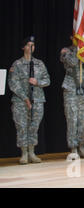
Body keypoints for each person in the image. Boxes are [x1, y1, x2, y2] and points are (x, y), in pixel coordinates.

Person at [8, 36, 50, 164]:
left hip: (37, 100)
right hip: (20, 101)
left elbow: (47, 80)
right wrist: (25, 98)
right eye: (28, 45)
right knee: (21, 126)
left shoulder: (39, 64)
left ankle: (32, 152)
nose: (31, 47)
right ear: (23, 47)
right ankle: (24, 154)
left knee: (33, 126)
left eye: (33, 45)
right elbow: (12, 83)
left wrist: (37, 82)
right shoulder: (17, 64)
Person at [60, 36, 84, 158]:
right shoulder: (66, 51)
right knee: (72, 119)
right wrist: (78, 51)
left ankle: (82, 146)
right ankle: (73, 148)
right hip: (71, 88)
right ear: (71, 38)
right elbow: (73, 62)